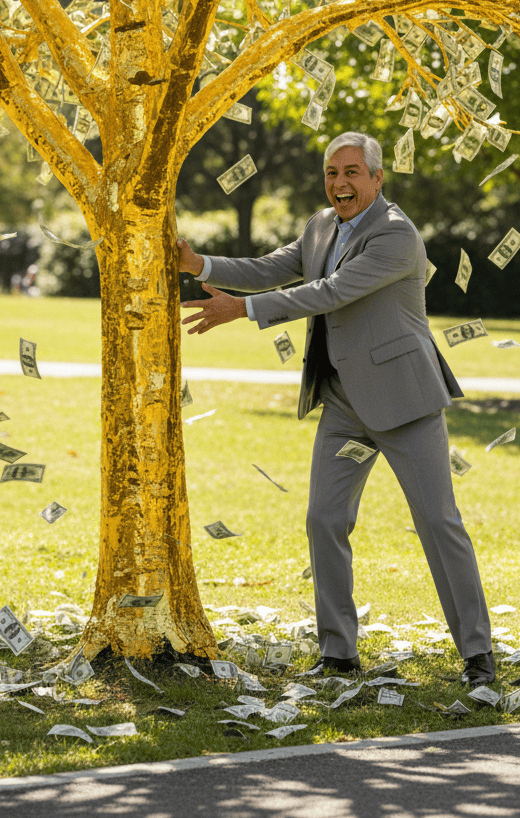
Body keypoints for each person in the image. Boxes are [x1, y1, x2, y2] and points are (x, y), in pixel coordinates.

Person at [177, 131, 494, 688]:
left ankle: (477, 655)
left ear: (377, 178)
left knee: (438, 524)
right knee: (324, 519)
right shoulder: (321, 223)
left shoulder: (397, 236)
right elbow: (275, 267)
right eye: (331, 172)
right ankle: (339, 653)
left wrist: (241, 312)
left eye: (352, 172)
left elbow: (329, 292)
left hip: (405, 400)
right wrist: (199, 263)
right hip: (344, 401)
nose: (340, 183)